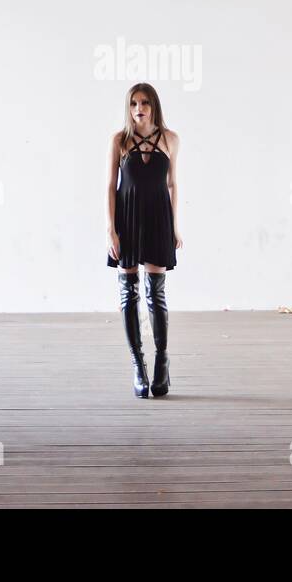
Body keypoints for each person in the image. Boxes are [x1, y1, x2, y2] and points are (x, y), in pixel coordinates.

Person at [106, 82, 182, 398]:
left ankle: (161, 362)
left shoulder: (170, 140)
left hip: (157, 218)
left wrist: (175, 227)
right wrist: (112, 229)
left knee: (157, 294)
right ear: (129, 107)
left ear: (154, 106)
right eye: (135, 103)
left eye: (146, 103)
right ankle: (139, 366)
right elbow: (112, 186)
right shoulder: (119, 141)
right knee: (129, 293)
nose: (140, 108)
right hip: (128, 218)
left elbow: (172, 185)